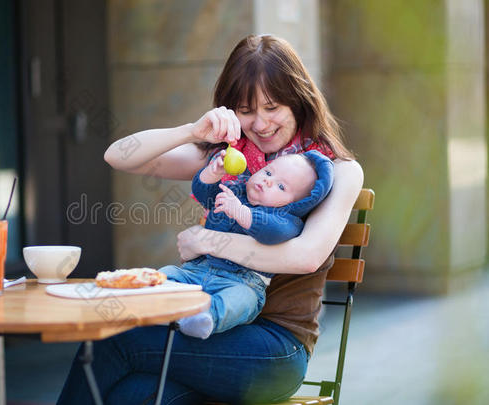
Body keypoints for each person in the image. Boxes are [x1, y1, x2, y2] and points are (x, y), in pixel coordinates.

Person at [58, 34, 363, 404]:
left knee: (116, 338)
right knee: (132, 395)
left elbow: (305, 256)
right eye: (247, 110)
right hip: (208, 335)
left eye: (273, 107)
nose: (261, 123)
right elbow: (118, 155)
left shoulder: (336, 170)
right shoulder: (226, 159)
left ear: (298, 102)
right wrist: (192, 132)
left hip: (274, 347)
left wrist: (208, 241)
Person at [162, 150, 334, 339]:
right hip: (197, 270)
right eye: (269, 173)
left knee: (241, 301)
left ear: (295, 204)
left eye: (281, 187)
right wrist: (212, 174)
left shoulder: (287, 220)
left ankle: (204, 318)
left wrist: (241, 212)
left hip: (242, 282)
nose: (268, 181)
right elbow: (204, 194)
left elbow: (272, 233)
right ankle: (151, 299)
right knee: (167, 274)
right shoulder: (234, 190)